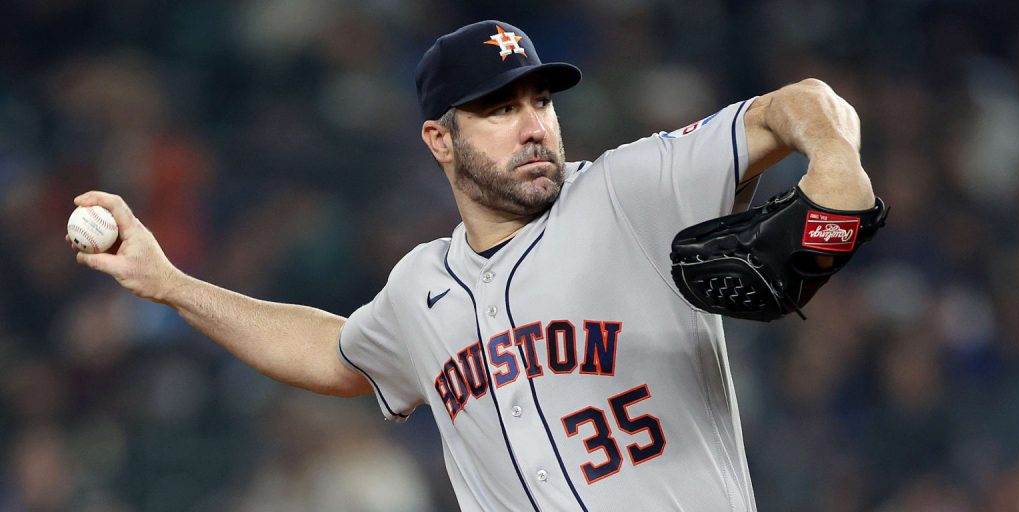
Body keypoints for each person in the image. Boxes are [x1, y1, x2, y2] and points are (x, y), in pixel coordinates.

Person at [71, 19, 874, 512]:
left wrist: (836, 164)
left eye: (539, 102)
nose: (531, 126)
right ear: (438, 139)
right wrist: (167, 284)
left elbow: (799, 102)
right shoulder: (420, 286)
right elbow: (334, 352)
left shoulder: (629, 191)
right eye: (498, 108)